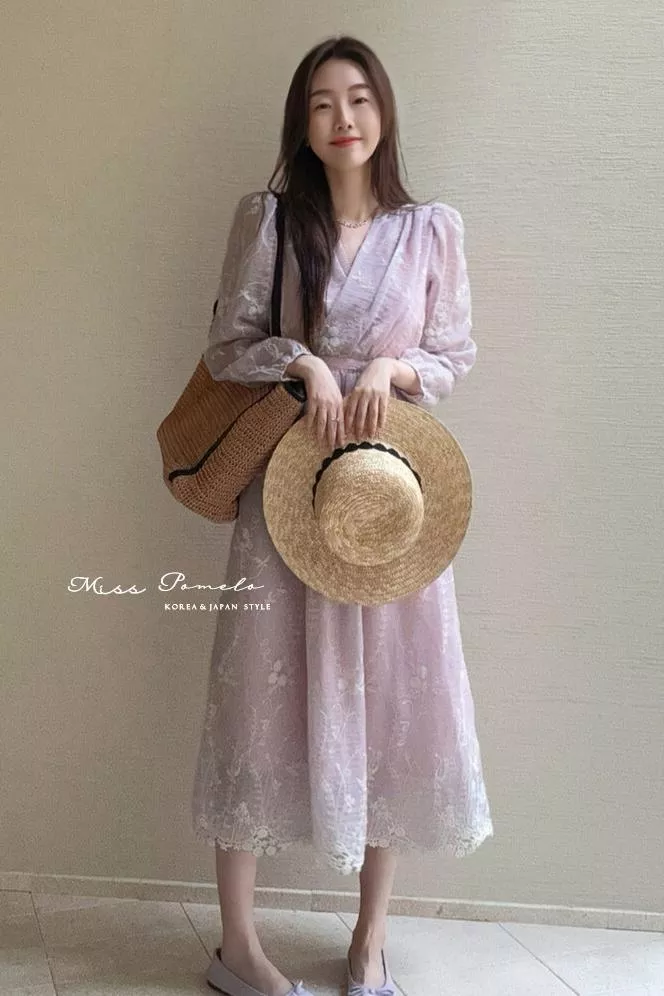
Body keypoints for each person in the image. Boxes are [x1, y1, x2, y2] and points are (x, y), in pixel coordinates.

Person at [191, 34, 494, 996]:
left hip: (389, 502)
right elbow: (227, 345)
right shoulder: (270, 219)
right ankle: (237, 947)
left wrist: (390, 367)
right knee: (255, 702)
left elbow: (452, 354)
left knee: (394, 707)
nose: (343, 119)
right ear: (303, 122)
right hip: (283, 493)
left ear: (384, 111)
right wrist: (306, 361)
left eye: (358, 99)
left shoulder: (432, 229)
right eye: (322, 103)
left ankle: (369, 942)